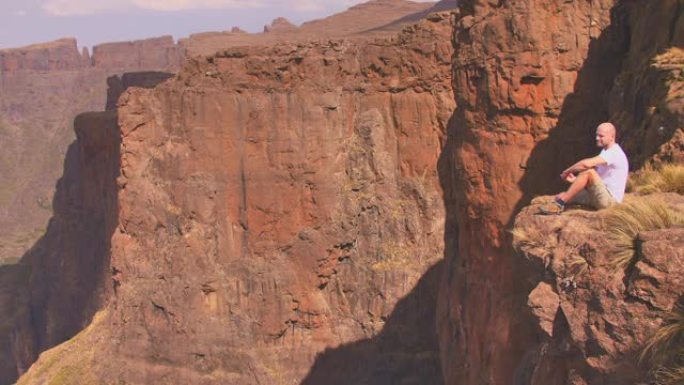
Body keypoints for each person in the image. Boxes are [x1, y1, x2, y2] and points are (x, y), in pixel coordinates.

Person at [539, 122, 629, 214]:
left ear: (611, 137)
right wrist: (576, 180)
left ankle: (559, 206)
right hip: (600, 196)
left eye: (601, 136)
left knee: (589, 172)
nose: (597, 138)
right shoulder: (605, 151)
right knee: (562, 196)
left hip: (610, 201)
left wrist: (567, 172)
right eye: (597, 135)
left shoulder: (614, 152)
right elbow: (598, 181)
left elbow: (585, 164)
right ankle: (557, 202)